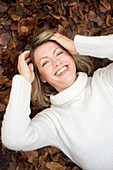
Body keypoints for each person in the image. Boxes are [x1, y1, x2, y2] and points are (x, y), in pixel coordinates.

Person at [1, 29, 113, 170]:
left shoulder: (105, 80)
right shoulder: (53, 121)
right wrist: (24, 81)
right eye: (45, 63)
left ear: (71, 56)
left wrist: (79, 46)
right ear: (42, 77)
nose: (57, 63)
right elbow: (14, 138)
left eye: (59, 53)